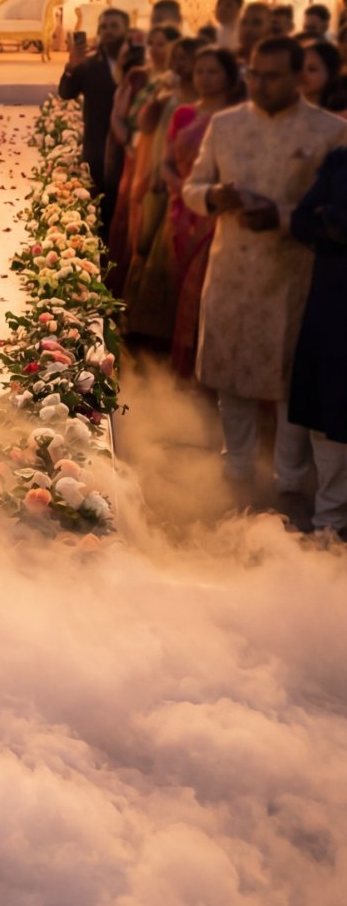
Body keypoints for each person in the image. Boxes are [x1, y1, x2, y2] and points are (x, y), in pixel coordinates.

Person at [181, 36, 347, 504]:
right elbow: (193, 186)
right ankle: (235, 466)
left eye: (273, 76)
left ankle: (289, 479)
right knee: (231, 370)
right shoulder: (227, 124)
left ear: (298, 78)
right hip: (232, 266)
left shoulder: (328, 131)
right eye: (254, 74)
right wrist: (215, 197)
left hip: (295, 275)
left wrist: (282, 216)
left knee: (290, 380)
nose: (260, 84)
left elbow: (336, 213)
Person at [164, 46, 237, 379]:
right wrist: (185, 193)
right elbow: (166, 162)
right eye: (200, 71)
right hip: (182, 211)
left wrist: (208, 199)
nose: (205, 78)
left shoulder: (237, 120)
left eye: (213, 71)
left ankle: (210, 369)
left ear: (229, 76)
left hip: (219, 214)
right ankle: (185, 367)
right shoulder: (183, 114)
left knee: (206, 289)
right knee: (184, 291)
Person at [285, 146, 347, 537]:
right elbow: (301, 220)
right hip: (335, 302)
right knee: (332, 408)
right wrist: (332, 226)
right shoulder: (341, 162)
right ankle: (330, 521)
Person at [121, 36, 197, 343]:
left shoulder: (205, 103)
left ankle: (165, 328)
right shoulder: (167, 92)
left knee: (170, 253)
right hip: (156, 174)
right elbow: (147, 127)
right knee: (146, 242)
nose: (178, 63)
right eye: (175, 56)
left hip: (185, 184)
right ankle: (140, 320)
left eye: (185, 58)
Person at [58, 7, 129, 228]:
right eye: (104, 26)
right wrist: (71, 67)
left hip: (130, 147)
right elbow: (66, 92)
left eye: (114, 26)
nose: (108, 31)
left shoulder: (139, 64)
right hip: (97, 146)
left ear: (126, 29)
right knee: (101, 208)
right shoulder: (89, 65)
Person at [300, 38, 346, 114]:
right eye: (299, 68)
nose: (302, 74)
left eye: (312, 69)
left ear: (330, 72)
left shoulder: (340, 117)